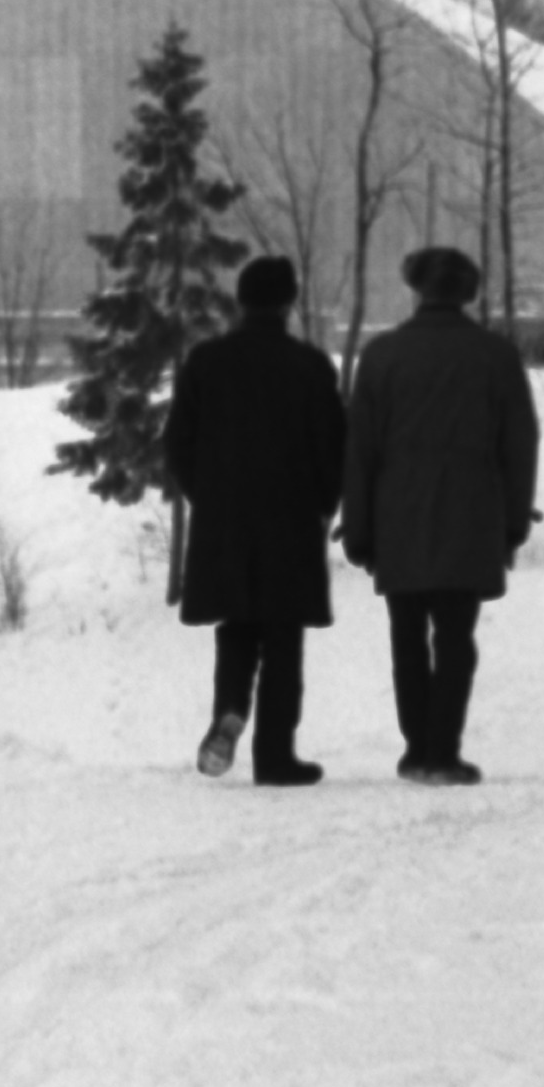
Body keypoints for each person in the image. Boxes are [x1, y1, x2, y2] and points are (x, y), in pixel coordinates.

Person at [342, 245, 541, 786]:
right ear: (467, 292)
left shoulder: (381, 356)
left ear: (417, 290)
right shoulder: (495, 356)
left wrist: (358, 531)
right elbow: (519, 445)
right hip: (471, 519)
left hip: (397, 520)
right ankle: (442, 752)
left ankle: (416, 749)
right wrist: (512, 524)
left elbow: (360, 450)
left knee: (406, 638)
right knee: (455, 639)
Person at [162, 255, 349, 787]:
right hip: (290, 519)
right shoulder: (311, 367)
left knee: (237, 625)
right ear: (289, 303)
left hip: (225, 520)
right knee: (283, 637)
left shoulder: (205, 362)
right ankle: (275, 756)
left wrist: (210, 496)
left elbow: (178, 444)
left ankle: (229, 709)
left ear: (240, 301)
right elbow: (334, 448)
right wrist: (322, 502)